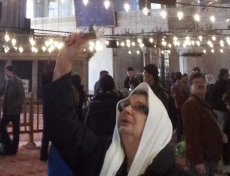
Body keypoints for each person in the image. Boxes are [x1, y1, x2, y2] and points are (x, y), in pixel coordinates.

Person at [43, 33, 189, 176]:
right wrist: (64, 62)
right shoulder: (103, 157)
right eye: (125, 105)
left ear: (155, 123)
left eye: (139, 107)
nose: (127, 109)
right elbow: (62, 126)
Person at [181, 72, 223, 176]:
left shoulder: (203, 103)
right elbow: (191, 135)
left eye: (202, 82)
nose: (200, 84)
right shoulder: (191, 105)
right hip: (201, 158)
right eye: (196, 82)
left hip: (208, 155)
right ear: (191, 87)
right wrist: (198, 161)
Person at [0, 64, 25, 155]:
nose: (5, 73)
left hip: (15, 111)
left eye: (6, 71)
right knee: (1, 127)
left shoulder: (18, 82)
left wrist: (15, 105)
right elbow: (1, 91)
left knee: (15, 131)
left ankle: (13, 150)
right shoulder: (7, 82)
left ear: (11, 72)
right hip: (7, 110)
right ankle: (8, 144)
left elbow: (21, 96)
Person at [84, 74, 120, 138]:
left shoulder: (93, 105)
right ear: (113, 86)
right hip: (114, 140)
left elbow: (86, 126)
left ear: (100, 86)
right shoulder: (118, 104)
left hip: (95, 141)